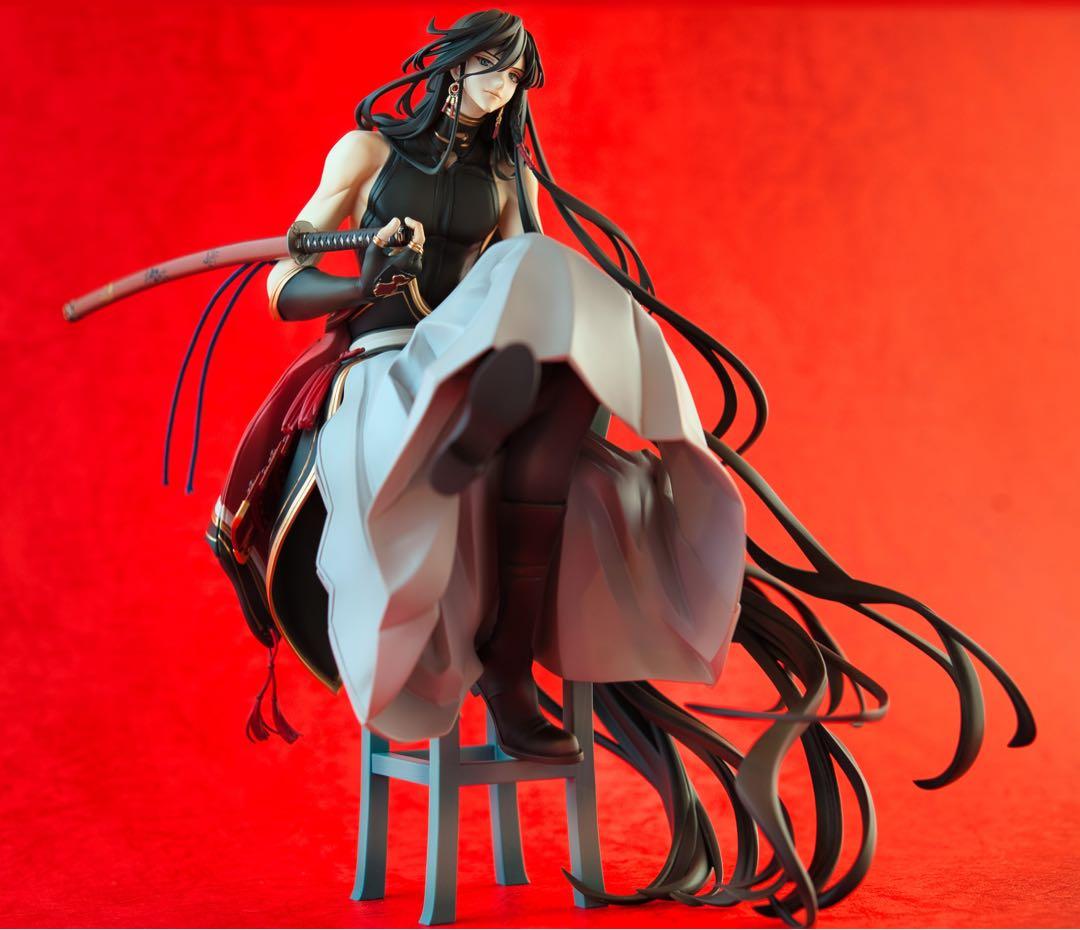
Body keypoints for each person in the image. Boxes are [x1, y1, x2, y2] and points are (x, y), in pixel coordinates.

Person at [199, 9, 1035, 926]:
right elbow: (282, 284)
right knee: (527, 310)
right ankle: (481, 457)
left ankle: (503, 589)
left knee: (539, 273)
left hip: (476, 357)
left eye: (513, 77)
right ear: (448, 67)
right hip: (386, 357)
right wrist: (362, 280)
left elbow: (521, 281)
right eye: (485, 69)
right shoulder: (366, 155)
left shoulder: (507, 175)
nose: (498, 90)